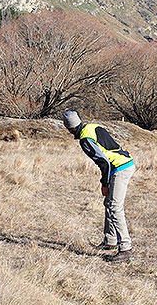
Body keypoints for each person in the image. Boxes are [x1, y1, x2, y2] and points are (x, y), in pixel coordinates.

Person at [62, 110, 136, 263]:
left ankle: (126, 249)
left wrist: (105, 184)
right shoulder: (92, 127)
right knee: (109, 203)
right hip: (123, 163)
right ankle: (110, 241)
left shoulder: (85, 139)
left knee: (115, 207)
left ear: (68, 128)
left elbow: (104, 162)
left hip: (120, 168)